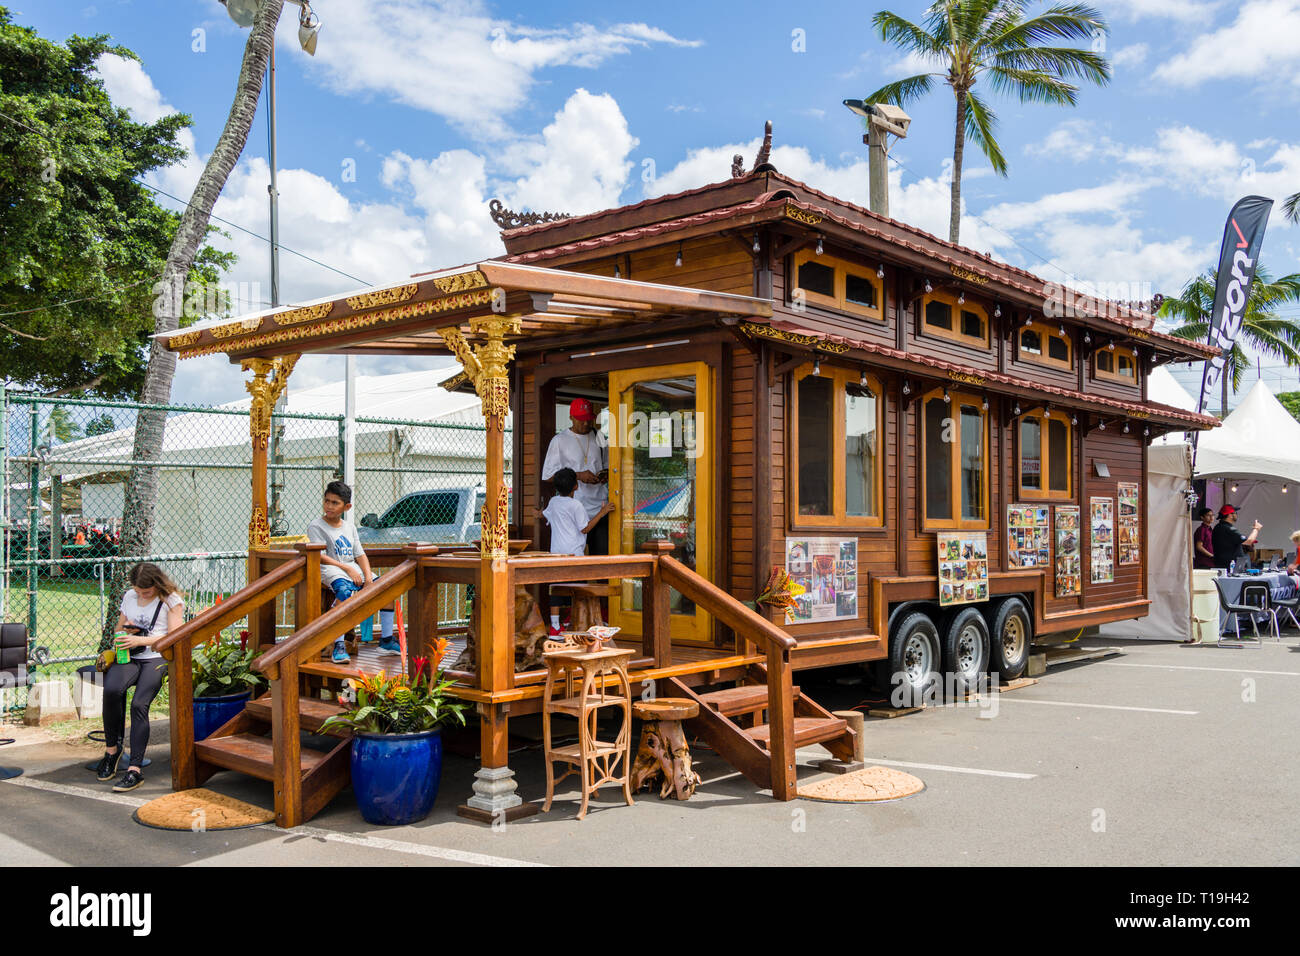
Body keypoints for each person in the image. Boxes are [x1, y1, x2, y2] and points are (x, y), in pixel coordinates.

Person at [95, 562, 184, 792]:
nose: (141, 595)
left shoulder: (171, 601)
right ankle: (112, 753)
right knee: (112, 691)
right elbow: (118, 628)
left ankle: (135, 769)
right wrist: (128, 631)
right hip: (130, 655)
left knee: (139, 704)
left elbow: (175, 637)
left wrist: (141, 640)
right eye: (137, 591)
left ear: (157, 585)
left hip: (157, 657)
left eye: (146, 592)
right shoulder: (129, 596)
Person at [307, 480, 396, 664]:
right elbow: (320, 556)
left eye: (335, 503)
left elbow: (360, 554)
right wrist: (346, 567)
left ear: (346, 506)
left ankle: (386, 639)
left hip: (352, 569)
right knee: (344, 593)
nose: (329, 506)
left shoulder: (350, 527)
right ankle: (338, 646)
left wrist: (369, 577)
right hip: (331, 569)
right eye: (327, 501)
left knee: (387, 590)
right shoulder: (316, 526)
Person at [535, 467, 615, 634]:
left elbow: (544, 514)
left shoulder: (554, 502)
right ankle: (577, 622)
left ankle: (555, 626)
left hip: (556, 553)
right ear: (576, 486)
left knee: (556, 588)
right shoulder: (576, 505)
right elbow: (585, 528)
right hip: (574, 554)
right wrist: (602, 512)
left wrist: (537, 513)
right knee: (578, 589)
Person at [541, 398, 609, 554]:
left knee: (602, 555)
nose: (585, 424)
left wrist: (604, 476)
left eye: (588, 420)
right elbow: (548, 475)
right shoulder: (559, 440)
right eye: (580, 420)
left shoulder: (599, 437)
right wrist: (578, 475)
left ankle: (601, 580)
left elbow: (608, 466)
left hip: (600, 506)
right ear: (571, 417)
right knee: (574, 553)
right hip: (575, 509)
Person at [1211, 505, 1260, 570]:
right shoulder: (1227, 528)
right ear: (1230, 515)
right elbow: (1249, 541)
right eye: (1235, 513)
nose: (1236, 515)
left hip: (1226, 566)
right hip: (1229, 567)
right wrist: (1256, 529)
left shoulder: (1220, 527)